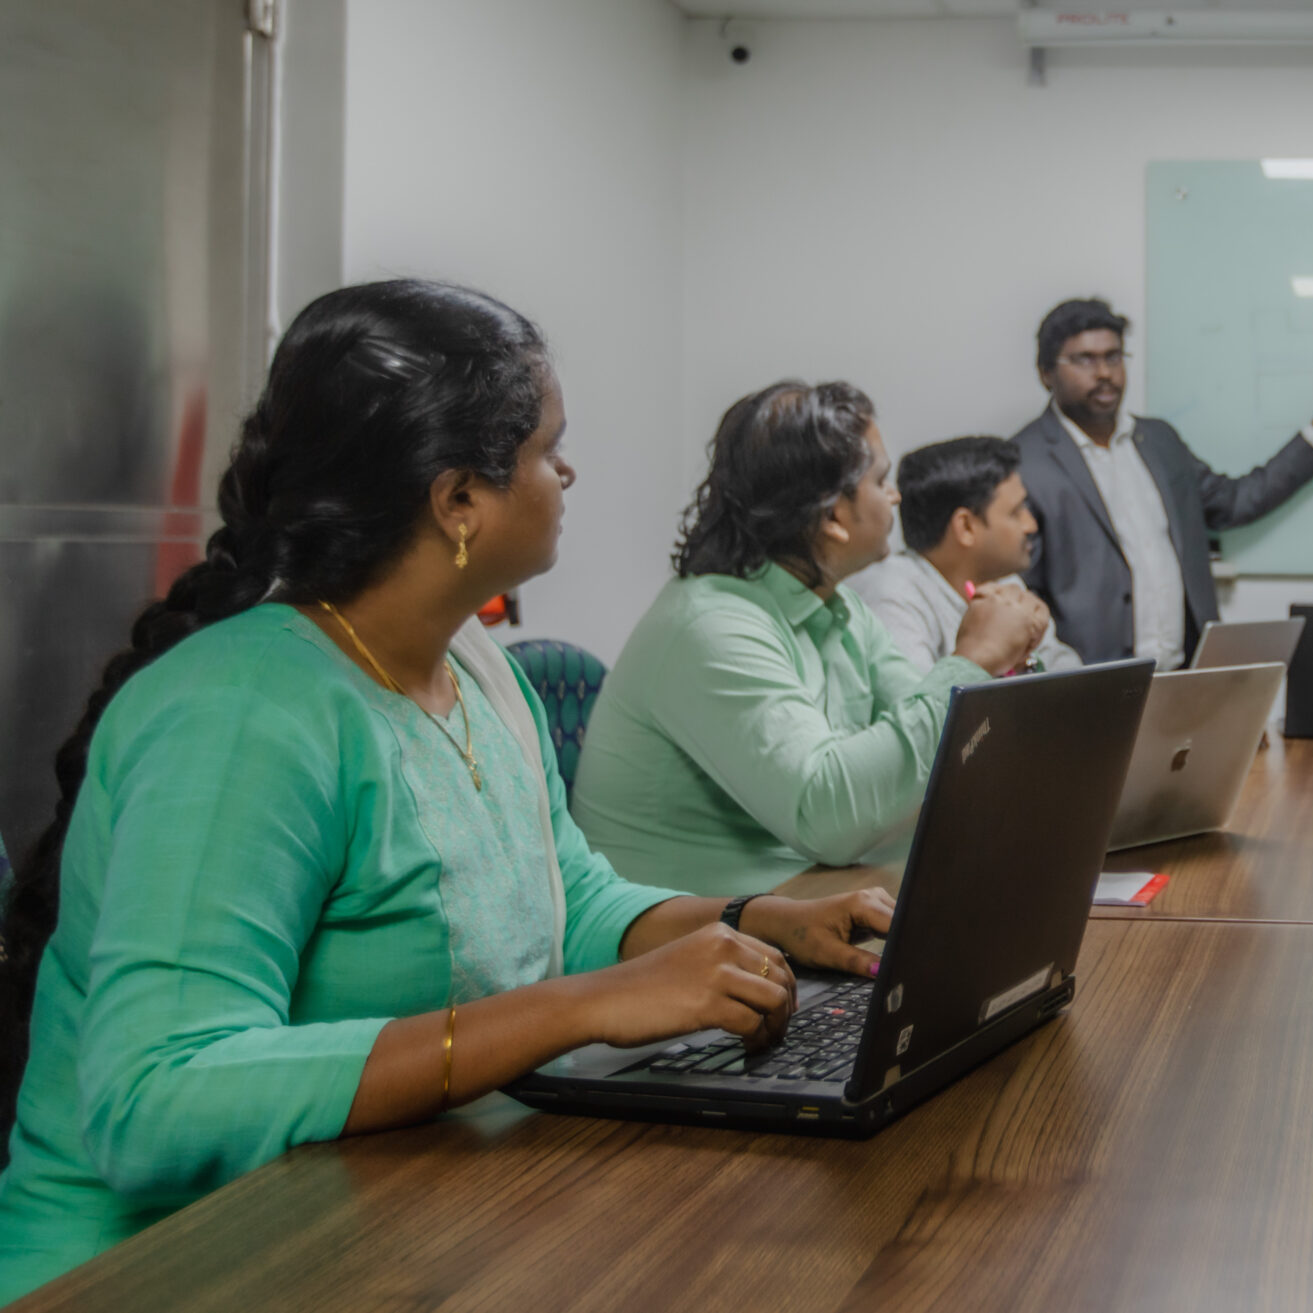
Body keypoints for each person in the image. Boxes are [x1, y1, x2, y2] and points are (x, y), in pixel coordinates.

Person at [0, 282, 903, 1300]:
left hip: (389, 1216)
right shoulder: (243, 714)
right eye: (547, 449)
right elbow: (153, 1100)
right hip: (164, 1262)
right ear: (458, 499)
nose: (569, 472)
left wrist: (760, 919)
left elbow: (572, 900)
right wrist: (575, 1009)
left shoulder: (471, 661)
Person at [571, 384, 1048, 896]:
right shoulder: (710, 626)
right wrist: (972, 659)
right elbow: (828, 818)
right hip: (689, 949)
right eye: (881, 480)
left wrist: (1004, 666)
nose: (896, 496)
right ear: (831, 517)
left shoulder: (835, 605)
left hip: (800, 908)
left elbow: (943, 757)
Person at [1011, 297, 1313, 667]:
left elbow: (1233, 503)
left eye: (1113, 357)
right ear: (1046, 372)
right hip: (1091, 690)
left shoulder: (1160, 441)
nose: (1104, 373)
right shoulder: (1023, 461)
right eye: (1084, 360)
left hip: (1185, 676)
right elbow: (1019, 589)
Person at [846, 435, 1081, 673]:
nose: (1031, 525)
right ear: (966, 527)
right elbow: (918, 705)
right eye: (1016, 511)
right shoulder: (892, 597)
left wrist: (1029, 661)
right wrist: (991, 655)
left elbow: (1067, 671)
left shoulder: (1003, 580)